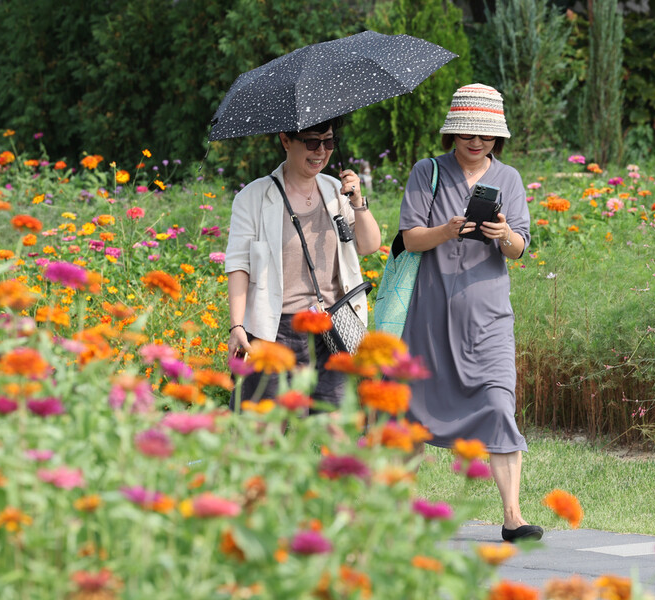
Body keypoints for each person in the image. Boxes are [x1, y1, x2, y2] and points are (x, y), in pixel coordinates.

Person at [397, 84, 540, 542]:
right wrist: (445, 230)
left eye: (485, 136)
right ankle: (400, 509)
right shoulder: (427, 172)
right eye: (465, 134)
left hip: (489, 318)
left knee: (500, 404)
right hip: (429, 317)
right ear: (451, 133)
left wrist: (502, 233)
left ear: (498, 138)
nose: (475, 143)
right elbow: (408, 238)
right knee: (411, 412)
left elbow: (519, 248)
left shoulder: (511, 179)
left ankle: (513, 517)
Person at [224, 117, 381, 406]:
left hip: (330, 327)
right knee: (262, 426)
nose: (321, 151)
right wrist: (237, 327)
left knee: (333, 425)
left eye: (329, 142)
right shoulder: (253, 198)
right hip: (275, 328)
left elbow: (369, 245)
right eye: (312, 142)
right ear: (286, 141)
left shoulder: (336, 190)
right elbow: (238, 266)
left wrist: (358, 202)